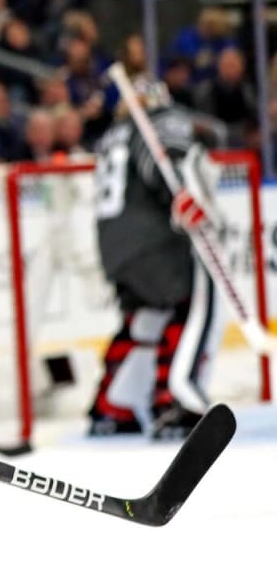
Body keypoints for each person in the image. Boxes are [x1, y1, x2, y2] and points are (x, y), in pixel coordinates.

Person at [88, 79, 222, 440]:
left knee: (142, 319)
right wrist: (183, 198)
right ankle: (177, 401)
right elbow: (167, 162)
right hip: (155, 241)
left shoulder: (112, 134)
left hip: (114, 247)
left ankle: (112, 406)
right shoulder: (158, 119)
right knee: (192, 306)